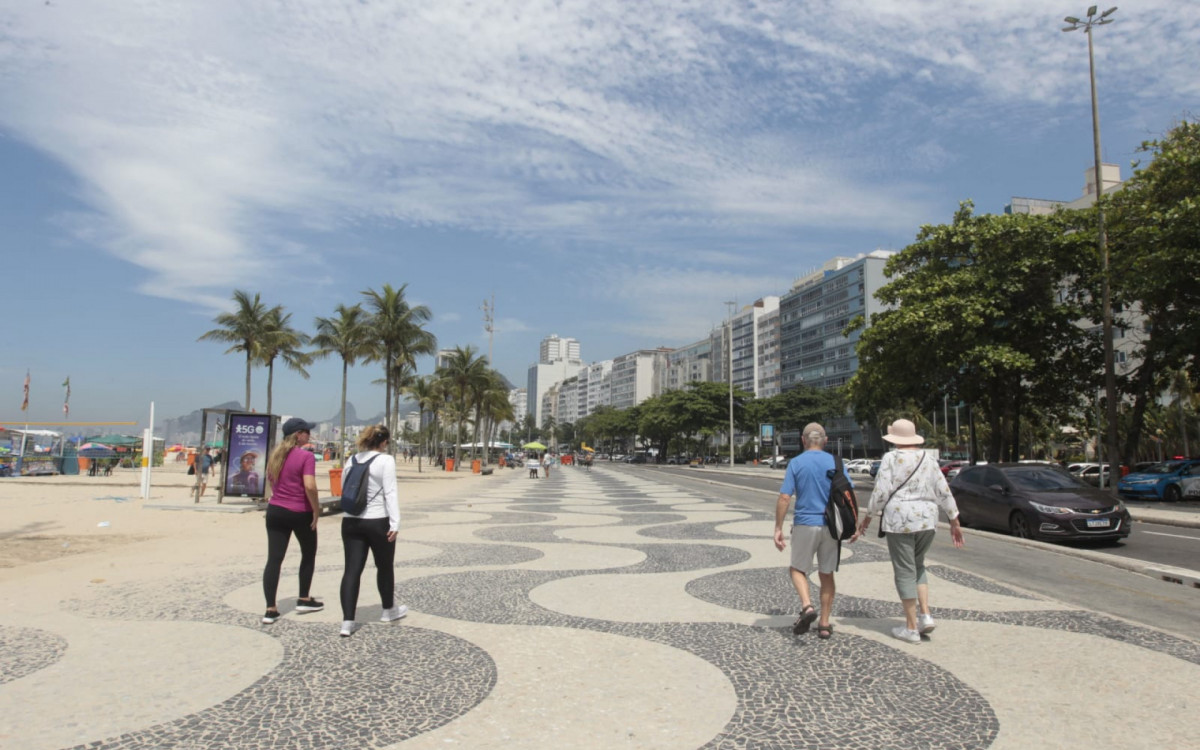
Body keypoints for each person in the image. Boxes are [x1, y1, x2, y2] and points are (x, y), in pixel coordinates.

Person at [852, 419, 964, 644]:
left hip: (900, 520)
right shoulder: (929, 459)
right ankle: (925, 614)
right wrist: (954, 519)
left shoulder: (891, 458)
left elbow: (882, 492)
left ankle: (911, 627)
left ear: (895, 439)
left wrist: (868, 517)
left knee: (904, 570)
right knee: (918, 564)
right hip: (927, 519)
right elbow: (943, 490)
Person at [773, 423, 852, 640]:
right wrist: (853, 525)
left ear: (803, 440)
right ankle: (824, 624)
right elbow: (848, 495)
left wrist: (778, 527)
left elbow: (785, 497)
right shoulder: (837, 462)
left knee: (797, 569)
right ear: (825, 441)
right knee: (827, 573)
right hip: (832, 526)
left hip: (805, 524)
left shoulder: (796, 463)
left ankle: (807, 606)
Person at [339, 424, 405, 637]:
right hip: (377, 521)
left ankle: (347, 622)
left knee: (351, 570)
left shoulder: (352, 459)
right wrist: (395, 522)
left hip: (350, 522)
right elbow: (390, 492)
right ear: (384, 442)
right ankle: (388, 610)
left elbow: (343, 488)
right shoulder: (386, 460)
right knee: (384, 566)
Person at [261, 417, 324, 624]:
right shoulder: (305, 456)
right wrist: (316, 510)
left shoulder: (274, 456)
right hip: (299, 511)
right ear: (298, 435)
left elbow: (271, 485)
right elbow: (310, 486)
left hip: (276, 511)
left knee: (274, 559)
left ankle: (270, 609)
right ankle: (304, 598)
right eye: (306, 431)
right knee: (308, 553)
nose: (309, 434)